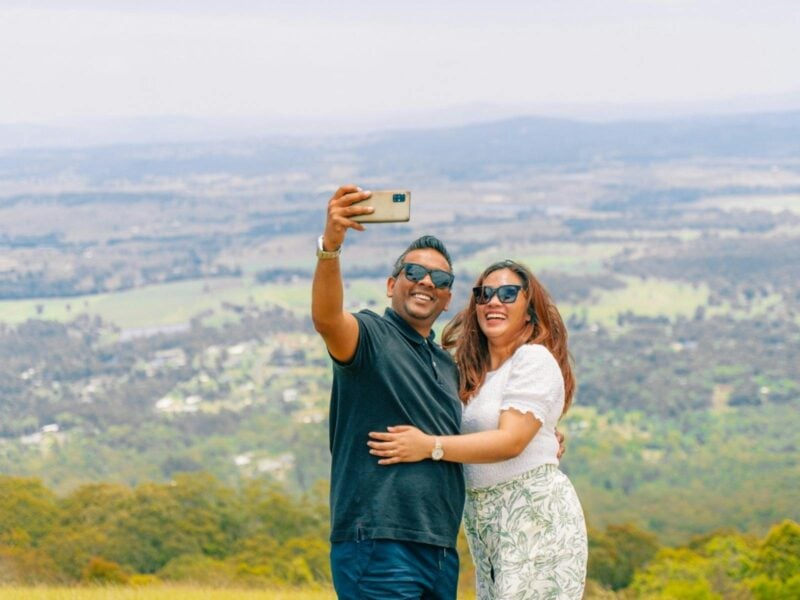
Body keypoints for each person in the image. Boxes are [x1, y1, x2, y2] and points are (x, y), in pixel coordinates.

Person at [368, 259, 588, 599]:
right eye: (484, 294)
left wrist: (430, 447)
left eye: (508, 293)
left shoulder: (533, 359)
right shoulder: (470, 372)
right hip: (485, 523)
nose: (494, 302)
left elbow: (511, 441)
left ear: (529, 309)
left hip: (532, 516)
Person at [311, 184, 465, 599]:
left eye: (440, 279)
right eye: (414, 272)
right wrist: (331, 247)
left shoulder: (446, 365)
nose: (426, 282)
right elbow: (327, 319)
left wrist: (539, 442)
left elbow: (476, 433)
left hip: (439, 550)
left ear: (448, 298)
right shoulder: (371, 337)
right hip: (377, 541)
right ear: (391, 283)